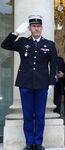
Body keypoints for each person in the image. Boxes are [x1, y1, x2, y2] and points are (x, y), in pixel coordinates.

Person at [1, 15, 57, 150]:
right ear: (30, 28)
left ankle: (38, 143)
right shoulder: (22, 42)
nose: (36, 28)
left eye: (38, 26)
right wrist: (16, 33)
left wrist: (51, 83)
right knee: (27, 115)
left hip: (42, 84)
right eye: (33, 26)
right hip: (25, 84)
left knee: (40, 115)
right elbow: (5, 44)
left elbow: (53, 65)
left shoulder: (49, 44)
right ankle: (29, 143)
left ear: (41, 28)